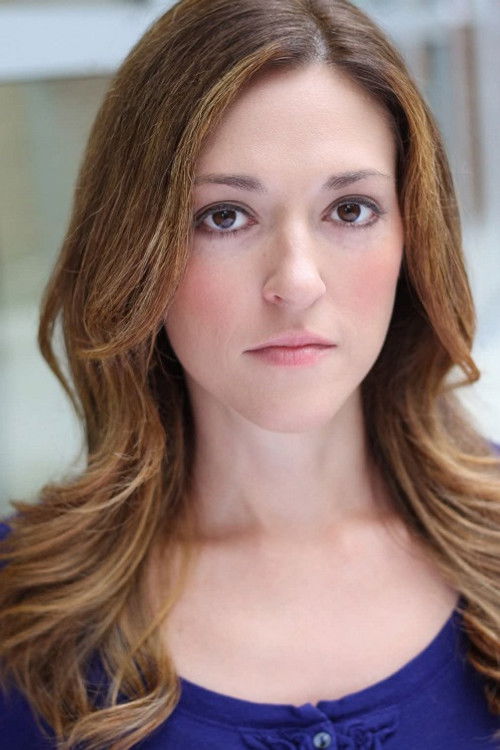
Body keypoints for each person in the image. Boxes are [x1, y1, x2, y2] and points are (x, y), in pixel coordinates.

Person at [1, 0, 499, 748]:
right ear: (135, 250)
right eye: (225, 216)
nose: (296, 282)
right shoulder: (22, 610)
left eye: (350, 209)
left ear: (412, 235)